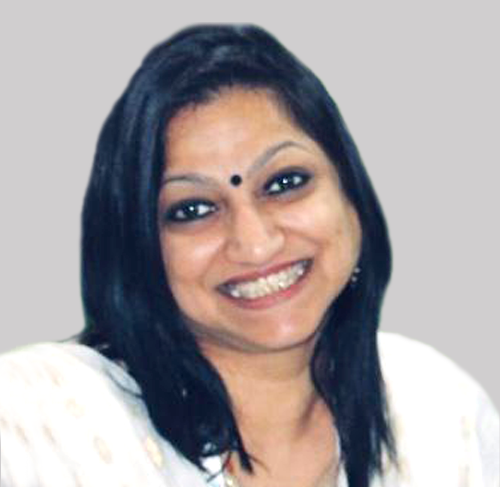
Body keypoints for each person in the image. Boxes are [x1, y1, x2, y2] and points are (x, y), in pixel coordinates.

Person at [0, 24, 498, 487]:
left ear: (351, 194)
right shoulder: (37, 420)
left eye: (284, 183)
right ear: (138, 247)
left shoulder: (436, 409)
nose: (256, 244)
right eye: (193, 209)